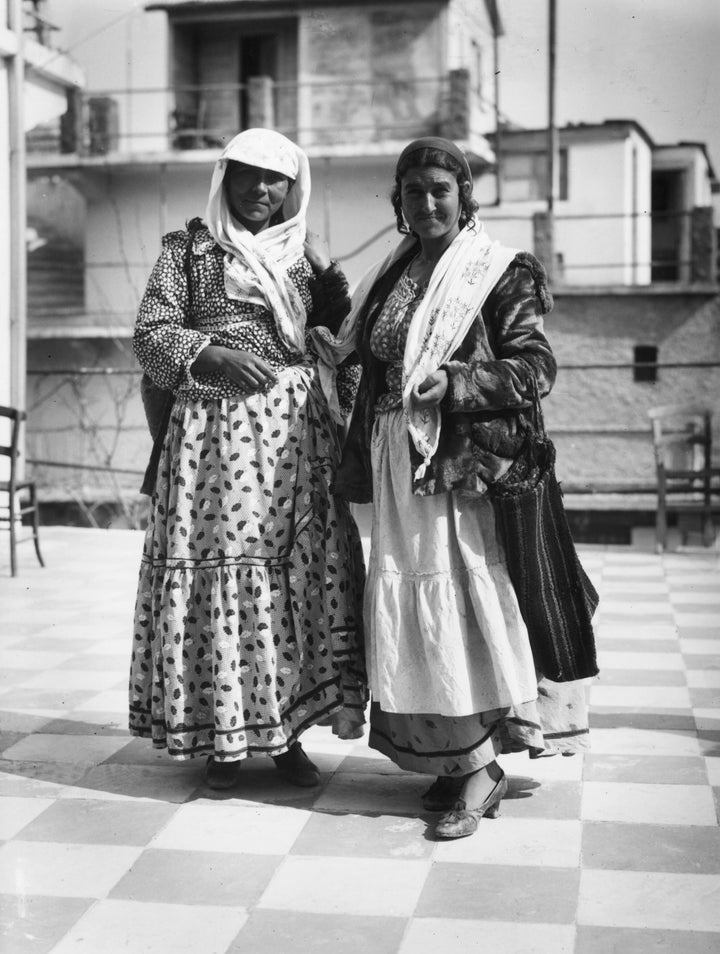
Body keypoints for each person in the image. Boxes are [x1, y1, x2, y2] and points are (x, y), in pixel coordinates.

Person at [332, 137, 590, 839]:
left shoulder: (498, 270)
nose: (426, 203)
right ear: (399, 202)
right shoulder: (392, 273)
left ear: (465, 195)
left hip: (463, 464)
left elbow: (535, 367)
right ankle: (453, 757)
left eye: (440, 189)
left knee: (466, 601)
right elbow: (366, 359)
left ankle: (482, 767)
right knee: (416, 602)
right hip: (398, 460)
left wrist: (458, 384)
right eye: (412, 192)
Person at [129, 128, 367, 791]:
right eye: (248, 175)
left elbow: (343, 348)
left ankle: (285, 737)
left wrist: (341, 425)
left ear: (295, 187)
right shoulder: (188, 250)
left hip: (297, 442)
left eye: (276, 179)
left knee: (292, 582)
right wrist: (210, 353)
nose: (260, 190)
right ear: (225, 176)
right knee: (223, 579)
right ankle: (225, 742)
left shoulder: (311, 263)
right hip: (214, 445)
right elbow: (151, 335)